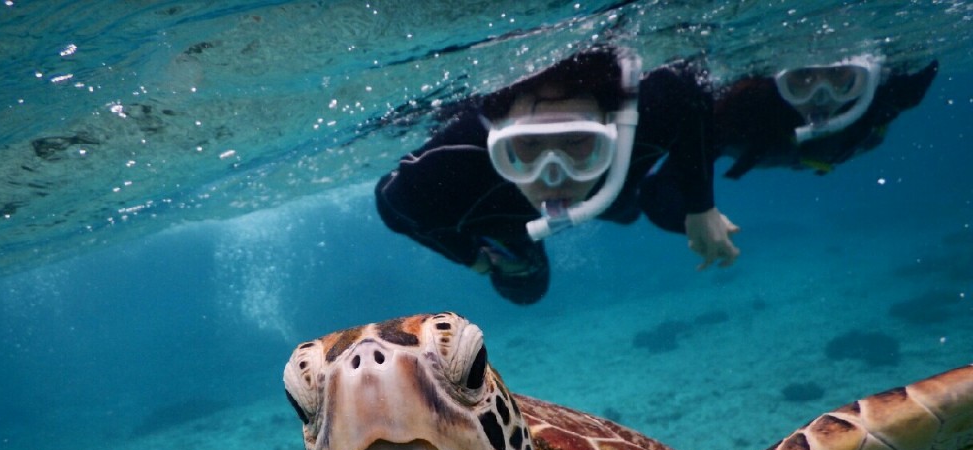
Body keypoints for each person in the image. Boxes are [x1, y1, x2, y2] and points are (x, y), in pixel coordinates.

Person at [374, 46, 740, 304]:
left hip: (606, 192)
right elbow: (390, 204)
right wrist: (471, 258)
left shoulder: (650, 114)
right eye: (528, 146)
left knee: (628, 212)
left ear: (614, 131)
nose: (552, 178)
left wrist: (701, 206)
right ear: (495, 142)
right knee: (526, 287)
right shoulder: (456, 163)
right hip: (503, 217)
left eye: (579, 142)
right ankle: (514, 254)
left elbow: (690, 86)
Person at [714, 56, 938, 179]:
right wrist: (700, 209)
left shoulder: (892, 97)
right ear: (777, 83)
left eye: (838, 76)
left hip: (842, 149)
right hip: (770, 150)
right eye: (802, 76)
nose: (821, 97)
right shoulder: (741, 116)